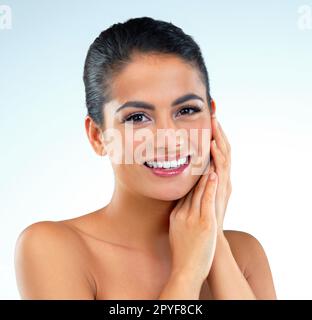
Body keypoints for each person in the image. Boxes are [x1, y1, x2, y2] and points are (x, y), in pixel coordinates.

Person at [14, 17, 276, 300]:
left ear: (212, 119)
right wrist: (187, 271)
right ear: (98, 136)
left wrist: (217, 249)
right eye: (137, 117)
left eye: (186, 110)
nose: (168, 137)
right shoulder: (53, 248)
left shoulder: (244, 254)